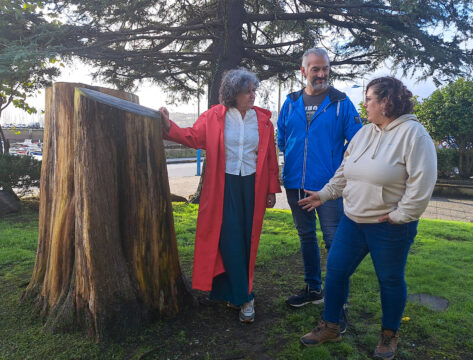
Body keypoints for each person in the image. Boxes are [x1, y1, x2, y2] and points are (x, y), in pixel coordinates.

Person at [298, 76, 437, 359]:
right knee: (336, 271)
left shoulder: (414, 134)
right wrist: (324, 195)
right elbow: (344, 171)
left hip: (389, 226)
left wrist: (401, 216)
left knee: (390, 280)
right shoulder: (365, 132)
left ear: (386, 102)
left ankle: (388, 335)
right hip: (353, 220)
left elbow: (422, 185)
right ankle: (331, 327)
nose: (365, 104)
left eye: (369, 99)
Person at [159, 68, 281, 323]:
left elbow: (269, 156)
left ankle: (236, 292)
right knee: (228, 238)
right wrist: (169, 127)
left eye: (254, 90)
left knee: (248, 239)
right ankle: (244, 297)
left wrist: (271, 189)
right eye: (247, 91)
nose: (253, 95)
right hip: (223, 186)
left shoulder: (263, 120)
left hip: (253, 186)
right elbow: (192, 136)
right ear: (233, 93)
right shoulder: (215, 116)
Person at [277, 47, 362, 329]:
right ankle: (314, 290)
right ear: (303, 71)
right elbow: (283, 139)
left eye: (325, 68)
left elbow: (359, 143)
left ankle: (340, 304)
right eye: (315, 69)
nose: (322, 74)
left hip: (328, 189)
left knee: (333, 242)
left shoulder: (341, 103)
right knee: (306, 238)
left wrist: (342, 174)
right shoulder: (290, 102)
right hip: (295, 185)